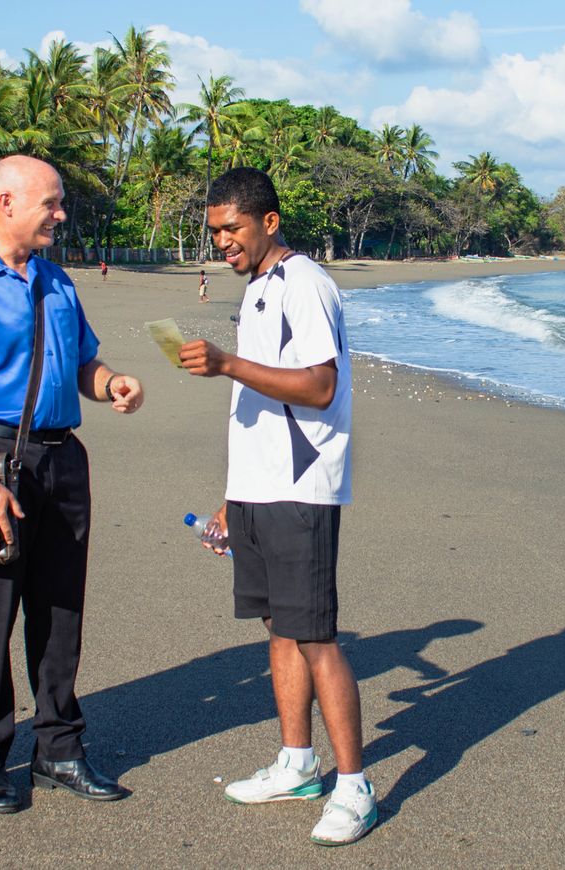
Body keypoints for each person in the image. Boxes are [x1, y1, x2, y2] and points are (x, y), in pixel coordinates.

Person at [0, 155, 144, 814]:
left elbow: (83, 362)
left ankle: (59, 751)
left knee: (60, 611)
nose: (61, 214)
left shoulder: (56, 280)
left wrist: (110, 385)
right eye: (52, 202)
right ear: (6, 203)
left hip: (62, 461)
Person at [178, 167, 374, 847]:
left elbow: (319, 387)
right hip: (258, 491)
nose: (223, 242)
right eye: (215, 232)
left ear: (268, 220)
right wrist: (230, 500)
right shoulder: (259, 288)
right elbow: (252, 408)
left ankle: (354, 785)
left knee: (316, 635)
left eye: (232, 228)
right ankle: (298, 762)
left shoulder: (305, 283)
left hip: (303, 487)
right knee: (279, 628)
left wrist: (227, 364)